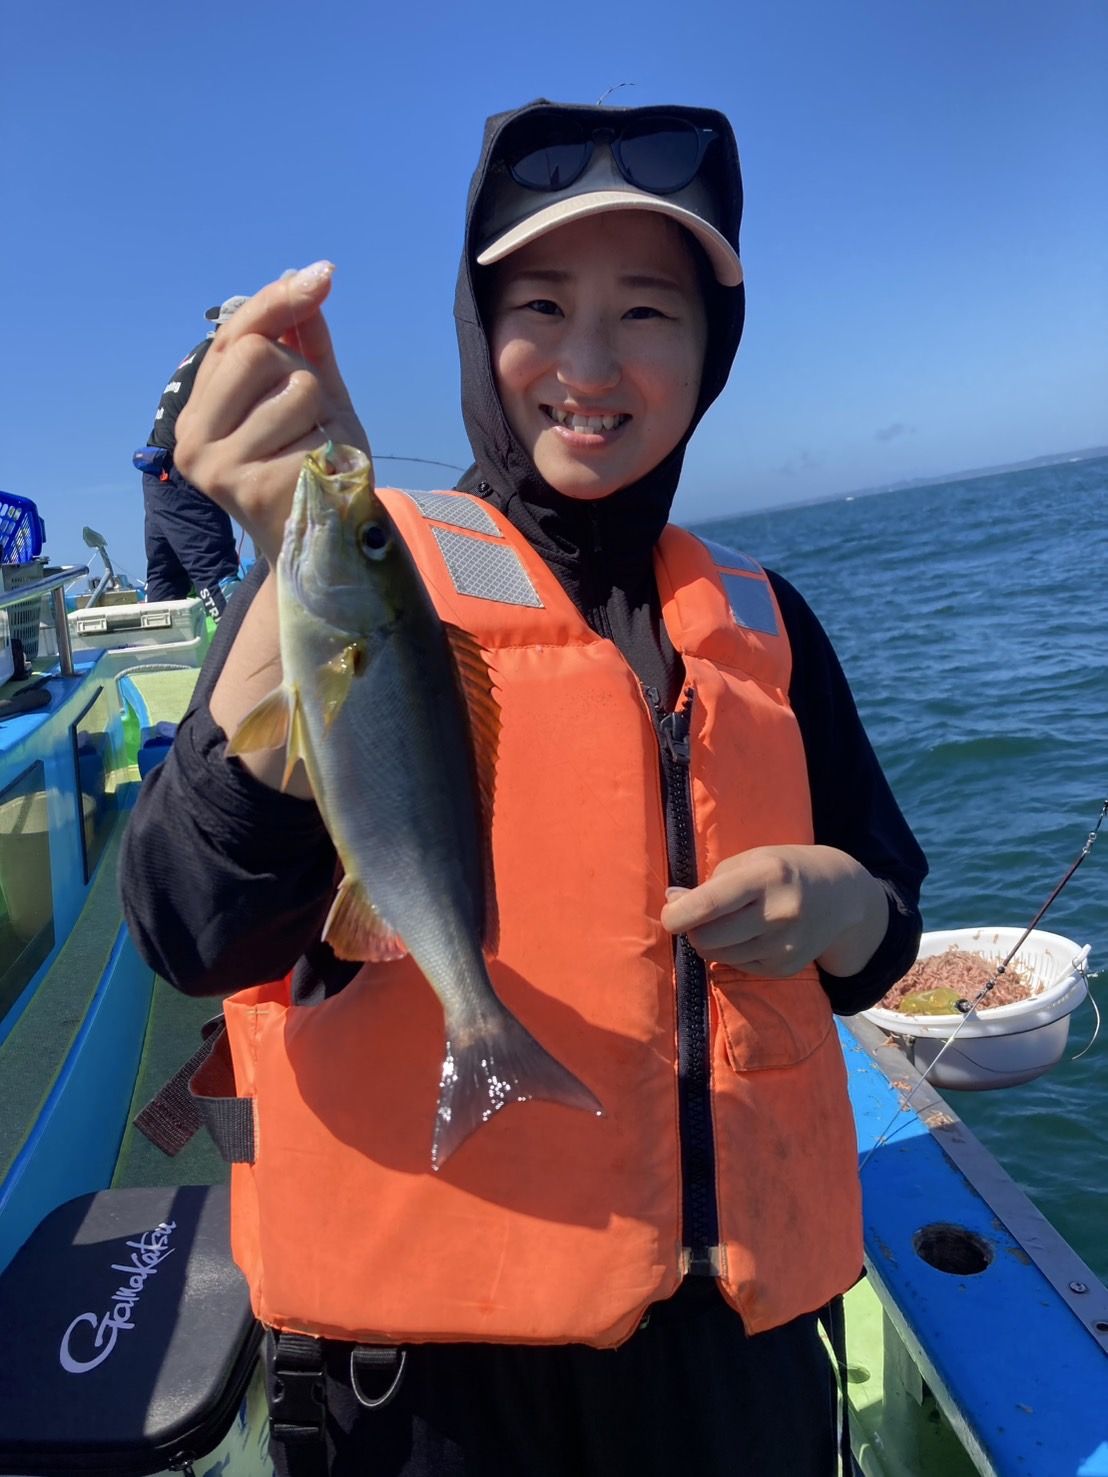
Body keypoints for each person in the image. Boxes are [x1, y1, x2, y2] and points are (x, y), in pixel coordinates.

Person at [120, 99, 928, 1476]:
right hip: (423, 1400)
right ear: (475, 328)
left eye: (649, 313)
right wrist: (282, 555)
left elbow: (887, 925)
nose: (588, 364)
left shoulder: (769, 622)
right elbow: (193, 929)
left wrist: (846, 905)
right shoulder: (355, 576)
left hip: (729, 1381)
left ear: (713, 351)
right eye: (541, 305)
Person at [138, 296, 247, 620]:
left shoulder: (197, 355)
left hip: (157, 476)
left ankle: (158, 650)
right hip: (180, 477)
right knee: (218, 576)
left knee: (166, 580)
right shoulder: (223, 359)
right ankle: (238, 645)